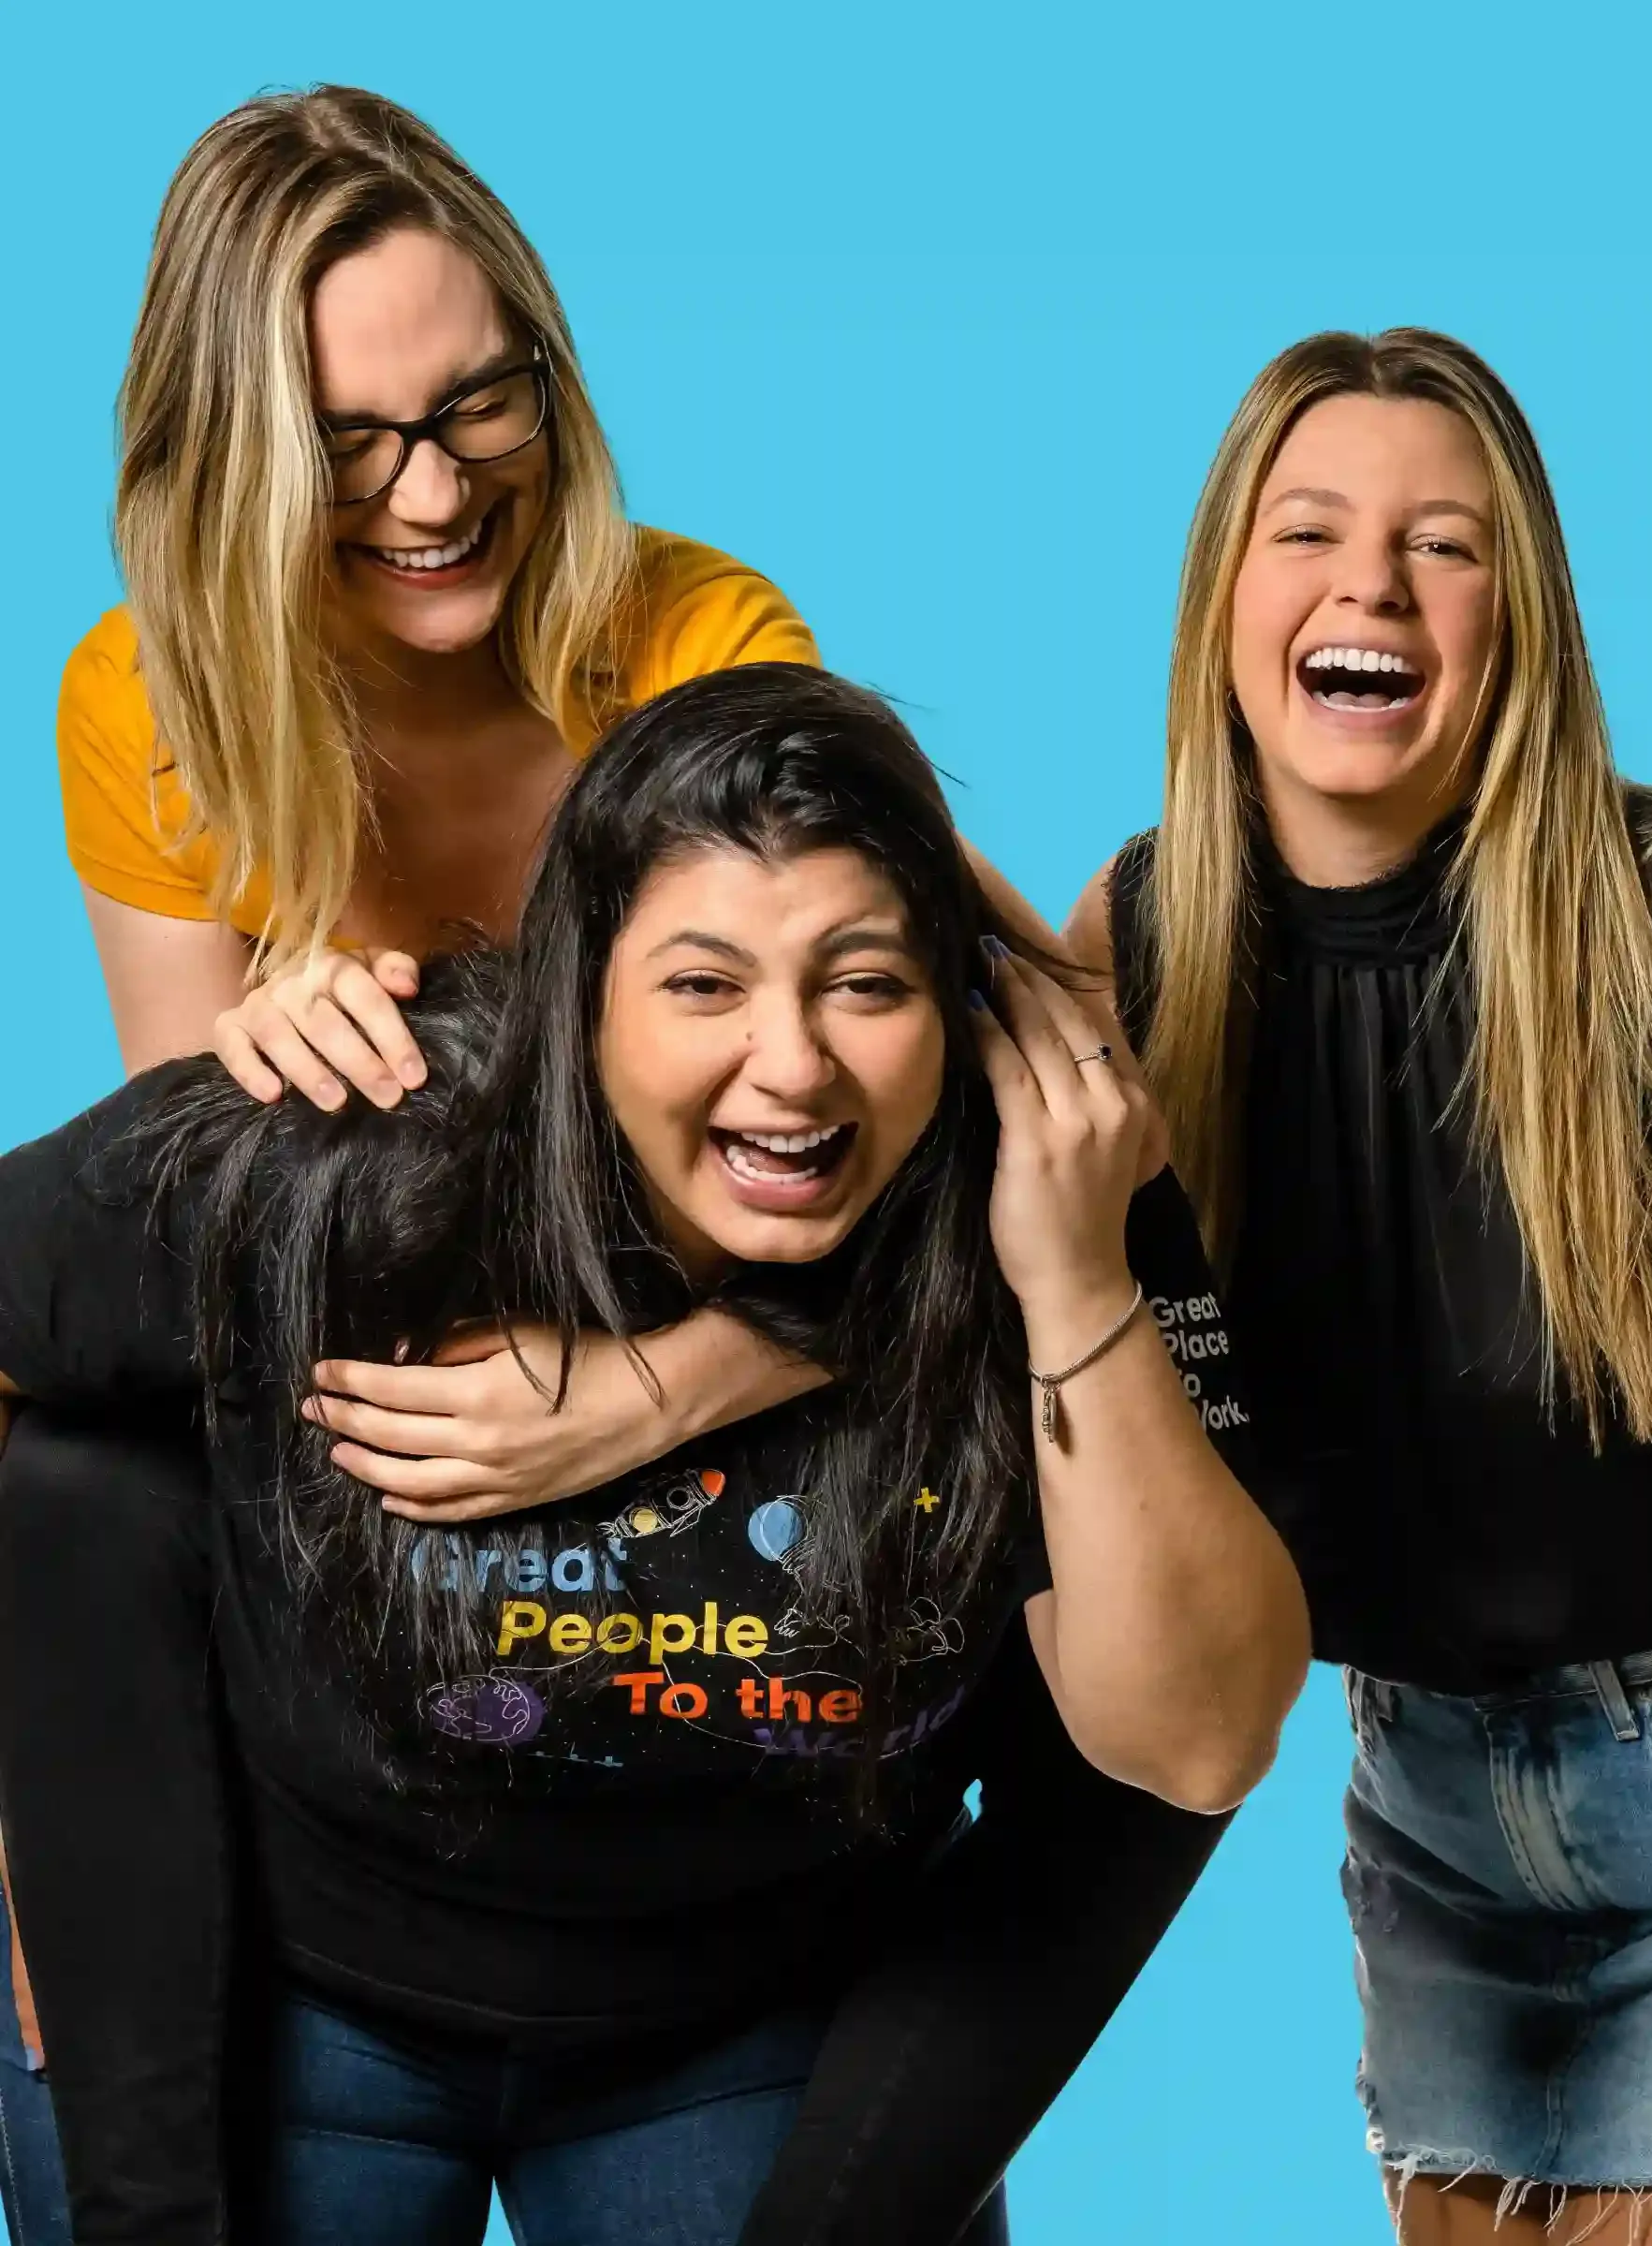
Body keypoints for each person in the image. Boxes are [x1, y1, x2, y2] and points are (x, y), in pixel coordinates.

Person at [0, 664, 1308, 2245]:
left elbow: (1190, 1747)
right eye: (703, 985)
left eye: (865, 982)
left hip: (739, 2013)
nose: (794, 1065)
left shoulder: (1061, 1186)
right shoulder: (355, 1137)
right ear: (582, 999)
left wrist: (1077, 1274)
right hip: (299, 1978)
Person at [4, 75, 811, 2239]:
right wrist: (243, 1097)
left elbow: (878, 1139)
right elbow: (175, 1323)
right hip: (334, 1674)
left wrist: (678, 1379)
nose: (435, 490)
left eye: (480, 406)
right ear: (233, 452)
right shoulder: (149, 704)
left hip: (673, 1626)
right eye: (350, 443)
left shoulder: (699, 644)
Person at [1068, 327, 1652, 2241]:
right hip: (1431, 1816)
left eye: (1444, 544)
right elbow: (1129, 1391)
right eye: (1308, 528)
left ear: (1521, 610)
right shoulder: (1132, 955)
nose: (1371, 582)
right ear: (1230, 597)